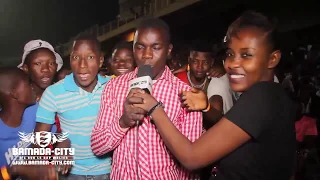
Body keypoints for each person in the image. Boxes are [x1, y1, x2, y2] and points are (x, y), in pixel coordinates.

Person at [132, 11, 296, 180]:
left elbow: (191, 157)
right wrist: (207, 107)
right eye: (230, 54)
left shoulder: (261, 96)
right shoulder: (275, 96)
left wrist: (154, 108)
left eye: (246, 55)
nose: (232, 63)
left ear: (273, 59)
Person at [91, 18, 203, 180]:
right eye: (140, 47)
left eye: (156, 47)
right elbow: (97, 147)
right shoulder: (113, 87)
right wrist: (123, 122)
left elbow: (192, 161)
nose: (147, 55)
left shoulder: (186, 94)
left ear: (169, 50)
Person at [34, 34, 112, 180]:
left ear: (100, 61)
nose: (82, 65)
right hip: (69, 174)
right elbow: (38, 142)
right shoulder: (53, 93)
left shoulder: (113, 86)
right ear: (70, 60)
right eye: (76, 57)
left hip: (110, 170)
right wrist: (60, 142)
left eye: (90, 57)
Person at [0, 68, 58, 180]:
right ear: (15, 93)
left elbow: (57, 136)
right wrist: (15, 170)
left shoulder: (34, 111)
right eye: (28, 83)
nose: (33, 87)